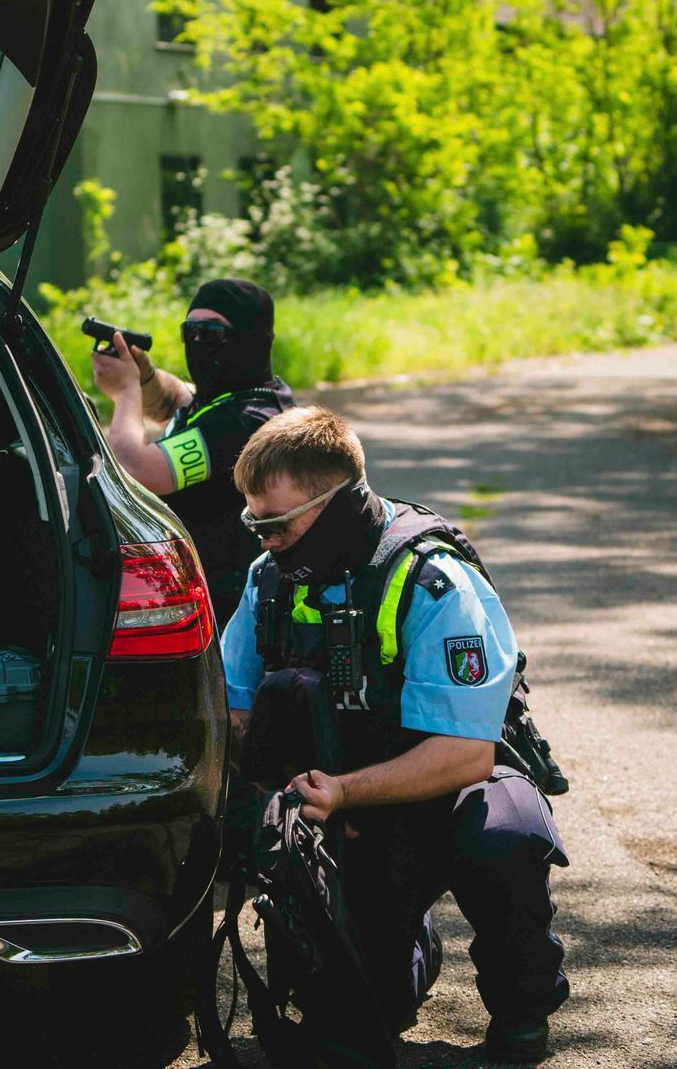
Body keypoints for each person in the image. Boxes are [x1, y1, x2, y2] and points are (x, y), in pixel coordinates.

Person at [220, 407, 569, 1063]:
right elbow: (233, 713)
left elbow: (466, 754)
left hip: (444, 788)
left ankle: (522, 1007)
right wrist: (283, 804)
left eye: (277, 523)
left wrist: (348, 792)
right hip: (336, 804)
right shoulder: (269, 579)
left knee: (505, 833)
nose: (265, 539)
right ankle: (408, 952)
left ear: (338, 503)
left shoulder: (433, 581)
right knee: (359, 1021)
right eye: (254, 522)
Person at [92, 277, 294, 625]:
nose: (199, 343)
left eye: (213, 333)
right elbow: (177, 398)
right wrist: (145, 376)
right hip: (197, 592)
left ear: (250, 341)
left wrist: (126, 393)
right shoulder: (236, 396)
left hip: (224, 611)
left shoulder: (247, 421)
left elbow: (136, 469)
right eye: (191, 331)